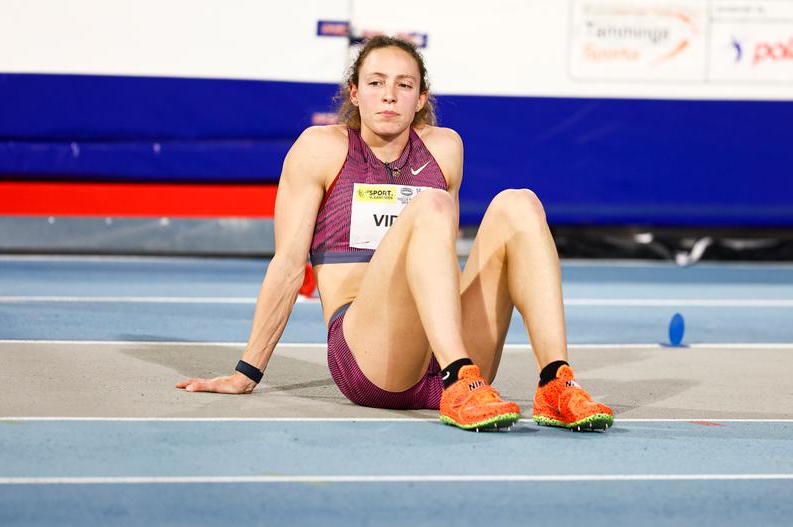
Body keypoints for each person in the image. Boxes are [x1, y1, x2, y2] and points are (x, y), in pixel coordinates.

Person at [176, 36, 614, 432]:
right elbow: (289, 265)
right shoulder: (320, 148)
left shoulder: (445, 148)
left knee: (520, 203)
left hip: (445, 357)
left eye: (404, 85)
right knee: (432, 205)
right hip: (371, 362)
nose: (389, 94)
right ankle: (459, 378)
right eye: (376, 83)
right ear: (354, 92)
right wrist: (246, 372)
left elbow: (443, 261)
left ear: (420, 98)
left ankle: (555, 381)